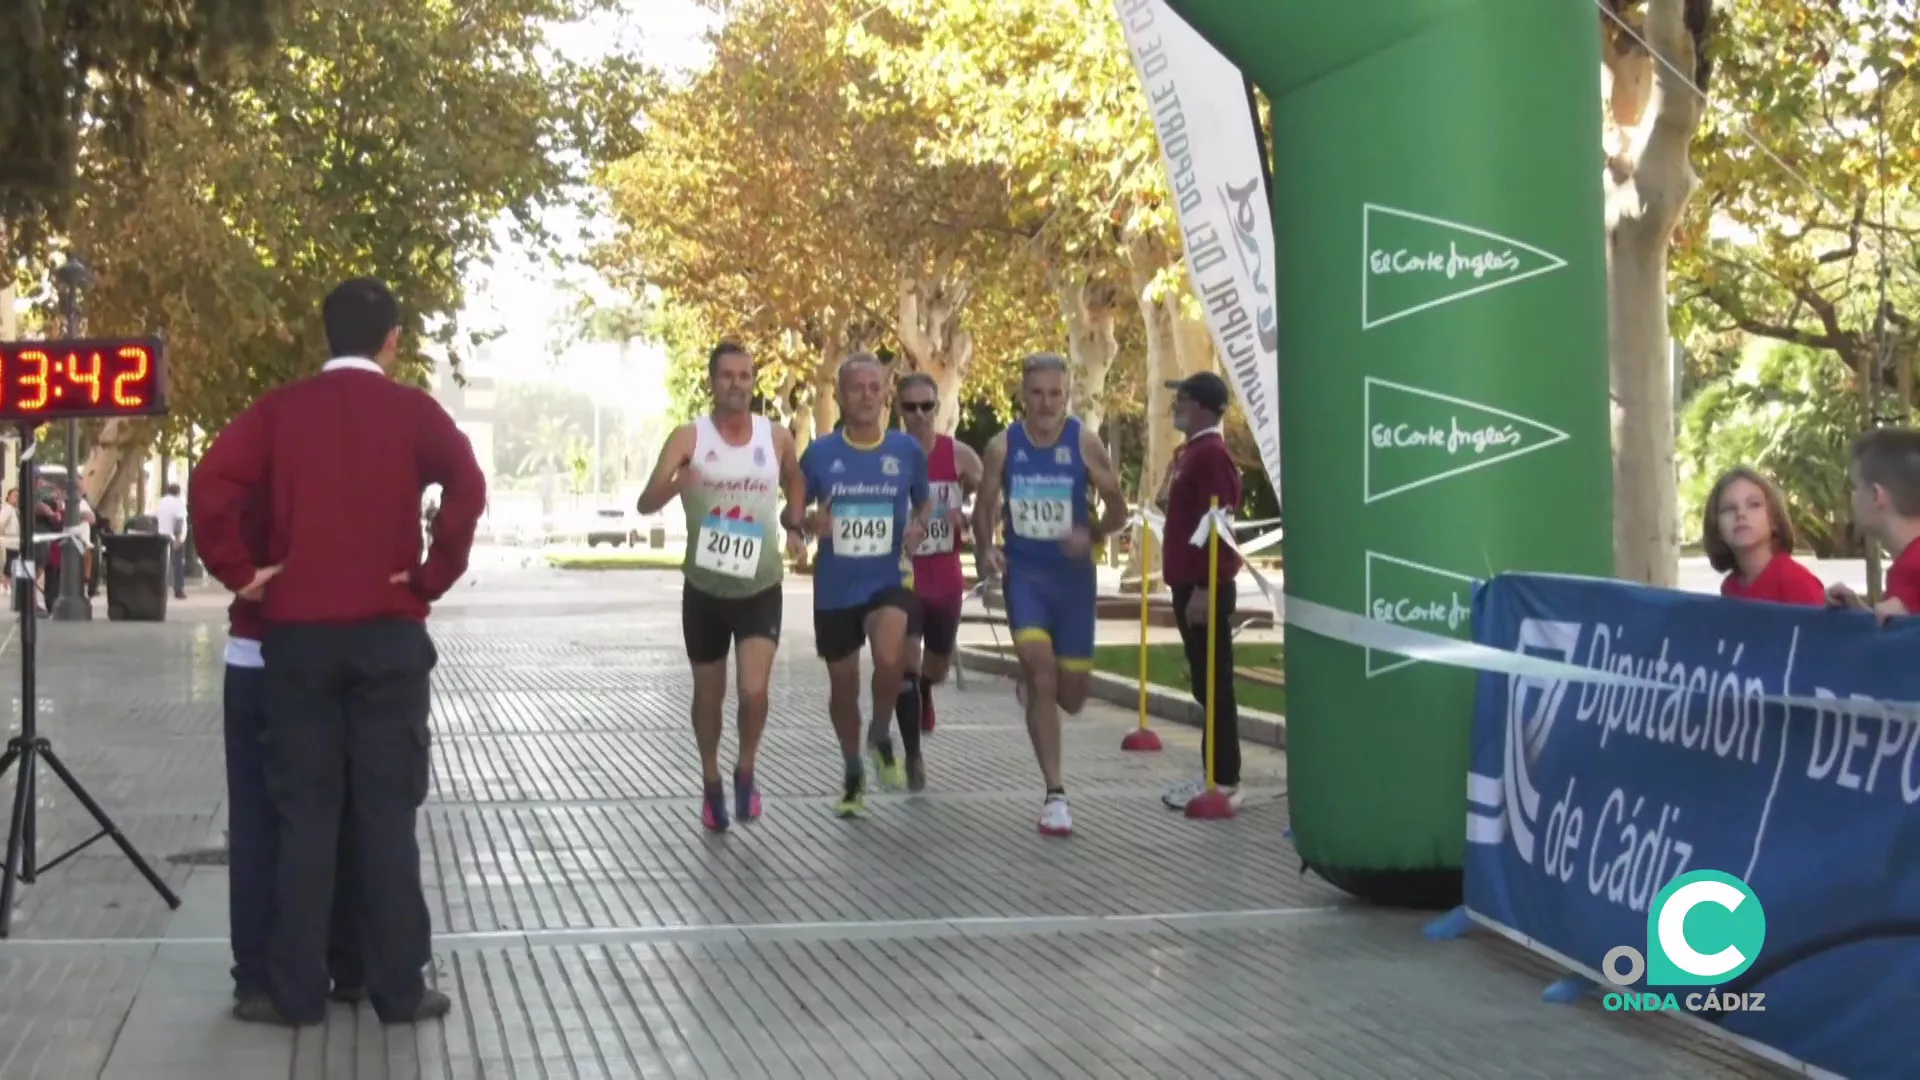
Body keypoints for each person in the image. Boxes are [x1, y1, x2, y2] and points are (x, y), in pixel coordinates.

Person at [191, 277, 486, 1027]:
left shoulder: (280, 413)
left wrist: (240, 572)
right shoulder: (414, 411)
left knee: (304, 815)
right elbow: (467, 485)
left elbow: (212, 483)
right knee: (386, 816)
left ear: (326, 336)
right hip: (388, 635)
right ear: (391, 339)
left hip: (297, 641)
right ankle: (394, 985)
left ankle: (293, 990)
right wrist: (430, 574)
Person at [638, 341, 806, 832]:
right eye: (727, 376)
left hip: (759, 587)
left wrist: (794, 525)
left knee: (754, 691)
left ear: (754, 381)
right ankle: (711, 781)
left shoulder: (774, 438)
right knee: (708, 696)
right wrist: (677, 482)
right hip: (705, 591)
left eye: (745, 375)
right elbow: (646, 502)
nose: (736, 383)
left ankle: (746, 769)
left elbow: (795, 479)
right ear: (712, 382)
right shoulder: (690, 436)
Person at [217, 492, 366, 1008]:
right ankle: (349, 963)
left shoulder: (259, 441)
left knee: (260, 820)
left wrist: (237, 572)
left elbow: (213, 492)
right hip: (338, 649)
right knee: (344, 812)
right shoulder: (357, 440)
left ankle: (260, 977)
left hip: (258, 651)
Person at [973, 352, 1129, 836]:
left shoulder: (1084, 443)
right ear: (1023, 395)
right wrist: (987, 549)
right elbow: (983, 508)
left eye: (1055, 394)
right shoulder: (1003, 446)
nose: (1046, 403)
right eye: (1037, 393)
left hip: (1073, 583)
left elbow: (1120, 509)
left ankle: (1038, 688)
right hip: (1027, 578)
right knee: (1041, 674)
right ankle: (1055, 794)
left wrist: (1096, 535)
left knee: (1073, 697)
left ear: (1067, 396)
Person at [796, 354, 931, 811]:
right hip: (835, 589)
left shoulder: (906, 451)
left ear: (885, 396)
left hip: (886, 579)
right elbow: (791, 514)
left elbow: (924, 503)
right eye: (857, 388)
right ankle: (853, 772)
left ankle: (880, 730)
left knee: (892, 651)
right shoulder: (819, 455)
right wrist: (808, 525)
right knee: (843, 687)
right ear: (839, 396)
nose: (868, 396)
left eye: (875, 388)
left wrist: (917, 527)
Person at [1154, 372, 1247, 810]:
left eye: (1185, 400)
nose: (1178, 407)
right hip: (1188, 583)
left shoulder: (1212, 456)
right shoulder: (1192, 453)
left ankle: (1224, 778)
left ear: (1206, 408)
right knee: (1204, 683)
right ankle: (1214, 769)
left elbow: (1220, 528)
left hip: (1203, 587)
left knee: (1214, 683)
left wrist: (1206, 589)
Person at [895, 372, 981, 739]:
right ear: (899, 409)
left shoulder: (958, 455)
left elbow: (991, 499)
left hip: (945, 571)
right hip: (903, 571)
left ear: (937, 407)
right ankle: (909, 742)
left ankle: (925, 691)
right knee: (907, 658)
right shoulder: (888, 454)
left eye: (926, 406)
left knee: (938, 665)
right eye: (910, 407)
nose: (919, 414)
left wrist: (971, 519)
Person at [1830, 427, 1920, 615]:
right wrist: (1864, 615)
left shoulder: (1911, 571)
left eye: (1856, 487)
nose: (1852, 497)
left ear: (1875, 495)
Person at [1703, 466, 1823, 606]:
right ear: (1716, 528)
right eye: (1729, 509)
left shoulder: (1796, 581)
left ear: (1774, 520)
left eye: (1754, 505)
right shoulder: (1730, 588)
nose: (1741, 514)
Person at [155, 482, 189, 599]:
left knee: (163, 564)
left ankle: (159, 588)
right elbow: (179, 521)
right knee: (178, 564)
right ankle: (179, 589)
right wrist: (178, 538)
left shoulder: (162, 502)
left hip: (162, 535)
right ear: (178, 492)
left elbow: (156, 518)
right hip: (174, 537)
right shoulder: (179, 503)